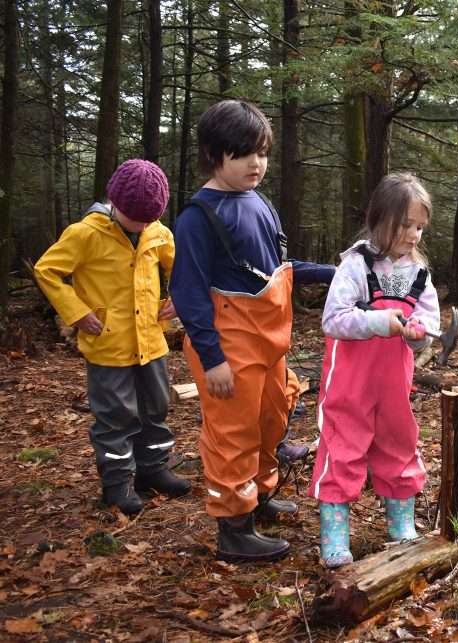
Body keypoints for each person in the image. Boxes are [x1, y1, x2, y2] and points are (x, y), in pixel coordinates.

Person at [169, 99, 334, 563]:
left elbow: (275, 270)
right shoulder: (197, 217)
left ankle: (258, 499)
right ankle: (233, 528)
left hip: (270, 341)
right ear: (214, 153)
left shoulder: (258, 203)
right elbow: (188, 292)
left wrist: (332, 271)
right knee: (233, 433)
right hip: (228, 343)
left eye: (261, 152)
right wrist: (212, 357)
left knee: (270, 422)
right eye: (243, 154)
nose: (256, 163)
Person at [34, 160, 191, 516]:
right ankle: (117, 482)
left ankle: (153, 470)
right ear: (114, 203)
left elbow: (180, 269)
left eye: (148, 221)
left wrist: (178, 299)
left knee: (156, 407)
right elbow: (47, 271)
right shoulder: (84, 234)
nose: (141, 226)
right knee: (115, 416)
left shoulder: (159, 233)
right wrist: (75, 312)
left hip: (151, 342)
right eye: (135, 220)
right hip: (107, 344)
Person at [307, 173, 440, 568]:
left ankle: (401, 524)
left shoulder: (419, 273)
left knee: (399, 441)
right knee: (343, 445)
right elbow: (333, 320)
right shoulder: (355, 265)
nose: (414, 235)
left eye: (420, 226)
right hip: (349, 379)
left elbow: (429, 322)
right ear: (380, 219)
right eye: (406, 225)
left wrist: (420, 335)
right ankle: (334, 534)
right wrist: (378, 322)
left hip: (394, 382)